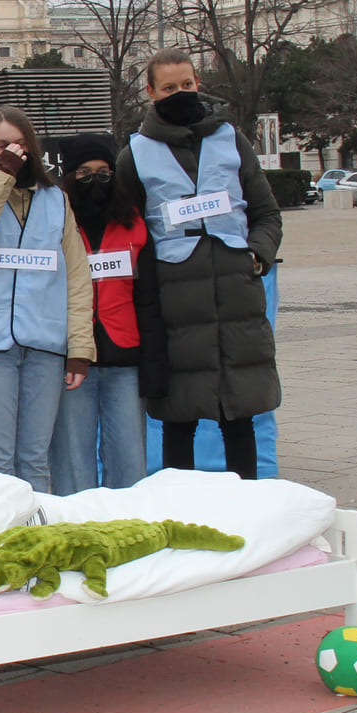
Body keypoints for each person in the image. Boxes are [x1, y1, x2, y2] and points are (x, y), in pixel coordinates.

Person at [116, 48, 282, 479]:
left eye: (186, 85)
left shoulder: (231, 139)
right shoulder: (134, 154)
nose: (180, 93)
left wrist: (257, 253)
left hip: (236, 302)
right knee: (178, 420)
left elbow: (266, 213)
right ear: (151, 92)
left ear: (198, 84)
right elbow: (126, 231)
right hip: (175, 307)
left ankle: (250, 512)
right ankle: (181, 518)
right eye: (169, 87)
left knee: (240, 415)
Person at [0, 106, 96, 492]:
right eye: (2, 145)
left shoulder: (56, 201)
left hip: (45, 346)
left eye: (20, 144)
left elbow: (77, 277)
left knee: (34, 460)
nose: (13, 152)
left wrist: (81, 345)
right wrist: (1, 177)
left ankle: (37, 538)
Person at [48, 133, 165, 494]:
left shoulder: (134, 225)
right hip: (72, 360)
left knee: (129, 461)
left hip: (124, 359)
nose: (94, 180)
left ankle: (129, 528)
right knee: (72, 463)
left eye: (103, 171)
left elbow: (149, 299)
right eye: (84, 172)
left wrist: (154, 362)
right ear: (69, 176)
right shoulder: (54, 224)